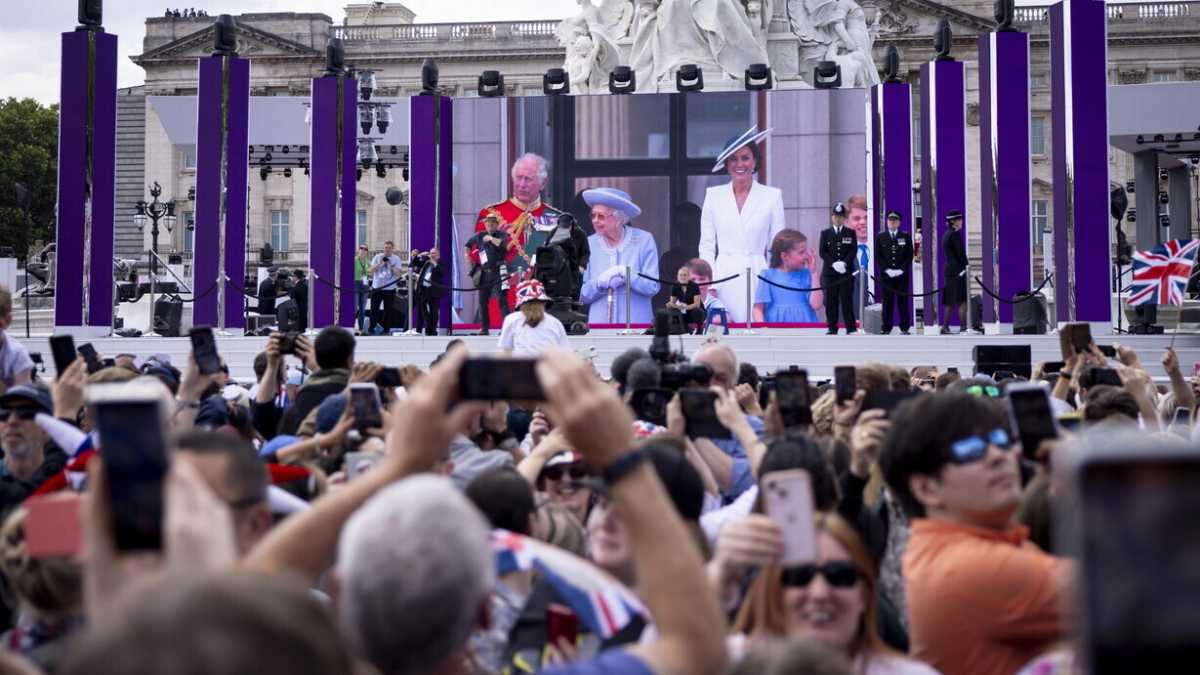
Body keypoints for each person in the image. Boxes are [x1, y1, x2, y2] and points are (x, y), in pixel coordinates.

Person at [879, 392, 1069, 675]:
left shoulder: (953, 547)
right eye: (970, 449)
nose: (998, 456)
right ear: (927, 489)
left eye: (1001, 440)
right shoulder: (973, 567)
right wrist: (1087, 472)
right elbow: (1140, 593)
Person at [731, 513, 939, 675]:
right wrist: (721, 572)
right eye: (799, 576)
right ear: (774, 592)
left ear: (865, 596)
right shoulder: (732, 663)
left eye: (840, 575)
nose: (820, 593)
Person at [699, 126, 785, 323]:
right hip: (722, 277)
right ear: (726, 164)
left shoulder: (772, 195)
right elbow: (706, 246)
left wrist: (775, 283)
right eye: (734, 159)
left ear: (755, 161)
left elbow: (778, 247)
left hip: (758, 275)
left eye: (745, 158)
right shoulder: (713, 196)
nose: (740, 164)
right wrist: (710, 284)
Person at [473, 153, 565, 319]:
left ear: (543, 183)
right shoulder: (491, 215)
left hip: (542, 304)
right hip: (501, 302)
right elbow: (477, 258)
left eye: (528, 179)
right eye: (518, 178)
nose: (522, 184)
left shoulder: (557, 219)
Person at [579, 187, 661, 325]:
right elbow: (581, 295)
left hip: (637, 326)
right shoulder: (589, 243)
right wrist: (599, 283)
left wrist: (627, 274)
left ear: (619, 219)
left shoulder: (644, 240)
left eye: (601, 216)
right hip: (600, 328)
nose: (595, 221)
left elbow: (652, 286)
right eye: (593, 215)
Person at [0, 384, 66, 513]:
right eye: (4, 413)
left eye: (26, 413)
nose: (12, 421)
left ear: (50, 427)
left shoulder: (69, 479)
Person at [754, 229, 823, 324]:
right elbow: (758, 309)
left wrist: (814, 273)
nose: (806, 256)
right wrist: (763, 328)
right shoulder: (767, 275)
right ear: (785, 256)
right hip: (776, 329)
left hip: (806, 328)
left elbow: (817, 305)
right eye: (801, 252)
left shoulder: (807, 274)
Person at [464, 216, 511, 335]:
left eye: (492, 223)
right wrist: (468, 257)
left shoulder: (502, 235)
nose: (489, 225)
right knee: (482, 301)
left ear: (496, 224)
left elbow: (503, 245)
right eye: (487, 223)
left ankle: (506, 329)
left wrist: (490, 238)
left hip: (499, 270)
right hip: (484, 272)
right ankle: (484, 328)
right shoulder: (479, 235)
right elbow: (467, 245)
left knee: (502, 300)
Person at [498, 279, 570, 356]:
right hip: (548, 366)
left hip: (520, 367)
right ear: (544, 302)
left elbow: (505, 353)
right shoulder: (555, 322)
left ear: (521, 303)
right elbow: (566, 353)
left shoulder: (511, 319)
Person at [820, 203, 859, 334]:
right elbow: (822, 252)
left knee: (847, 300)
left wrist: (844, 263)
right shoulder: (825, 233)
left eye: (841, 216)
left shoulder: (851, 233)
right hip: (831, 274)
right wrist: (834, 264)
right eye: (836, 216)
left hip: (846, 273)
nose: (838, 219)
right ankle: (832, 327)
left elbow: (853, 250)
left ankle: (851, 328)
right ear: (832, 217)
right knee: (831, 301)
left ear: (844, 218)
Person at [876, 210, 915, 335]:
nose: (892, 222)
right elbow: (878, 256)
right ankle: (886, 327)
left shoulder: (905, 236)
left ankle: (904, 327)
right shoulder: (881, 236)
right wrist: (887, 269)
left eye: (894, 220)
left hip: (901, 275)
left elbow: (909, 255)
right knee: (887, 302)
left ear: (899, 222)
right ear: (887, 222)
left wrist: (901, 269)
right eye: (890, 220)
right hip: (887, 275)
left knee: (902, 301)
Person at [546, 212, 591, 299]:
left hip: (574, 266)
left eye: (568, 227)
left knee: (574, 292)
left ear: (572, 225)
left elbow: (586, 253)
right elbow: (546, 249)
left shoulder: (580, 234)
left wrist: (582, 265)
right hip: (558, 267)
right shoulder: (553, 232)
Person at [939, 210, 969, 335]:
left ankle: (945, 327)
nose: (961, 221)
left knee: (950, 300)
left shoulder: (946, 234)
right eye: (959, 219)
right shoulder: (955, 235)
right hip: (958, 270)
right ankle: (963, 327)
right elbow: (960, 254)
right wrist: (967, 264)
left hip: (949, 270)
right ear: (953, 221)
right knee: (962, 300)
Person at [368, 241, 402, 335]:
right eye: (386, 247)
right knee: (374, 309)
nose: (387, 249)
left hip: (390, 289)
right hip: (377, 288)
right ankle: (371, 329)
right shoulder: (377, 257)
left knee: (388, 311)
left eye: (389, 248)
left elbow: (398, 274)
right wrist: (381, 264)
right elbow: (370, 271)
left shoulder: (396, 259)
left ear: (392, 249)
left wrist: (390, 265)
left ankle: (386, 330)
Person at [413, 247, 445, 336]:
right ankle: (429, 325)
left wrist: (433, 262)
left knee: (434, 311)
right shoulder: (426, 263)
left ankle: (432, 330)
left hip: (434, 290)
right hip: (424, 290)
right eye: (431, 253)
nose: (432, 255)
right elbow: (415, 263)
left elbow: (441, 271)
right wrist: (418, 255)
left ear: (438, 254)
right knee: (423, 310)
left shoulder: (440, 262)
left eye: (434, 253)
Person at [667, 265, 704, 334]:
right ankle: (685, 328)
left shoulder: (694, 286)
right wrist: (670, 304)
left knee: (697, 311)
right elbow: (672, 302)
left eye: (685, 275)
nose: (683, 277)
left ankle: (699, 328)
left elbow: (697, 304)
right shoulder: (675, 286)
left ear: (689, 277)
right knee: (671, 309)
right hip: (683, 310)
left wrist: (685, 307)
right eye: (680, 275)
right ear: (678, 276)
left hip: (694, 310)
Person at [355, 245, 371, 333]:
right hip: (355, 283)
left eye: (365, 249)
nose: (363, 250)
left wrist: (380, 264)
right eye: (361, 248)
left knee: (362, 307)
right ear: (358, 250)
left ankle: (361, 328)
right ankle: (351, 326)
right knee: (354, 306)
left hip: (365, 284)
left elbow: (371, 270)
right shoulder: (354, 260)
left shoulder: (367, 261)